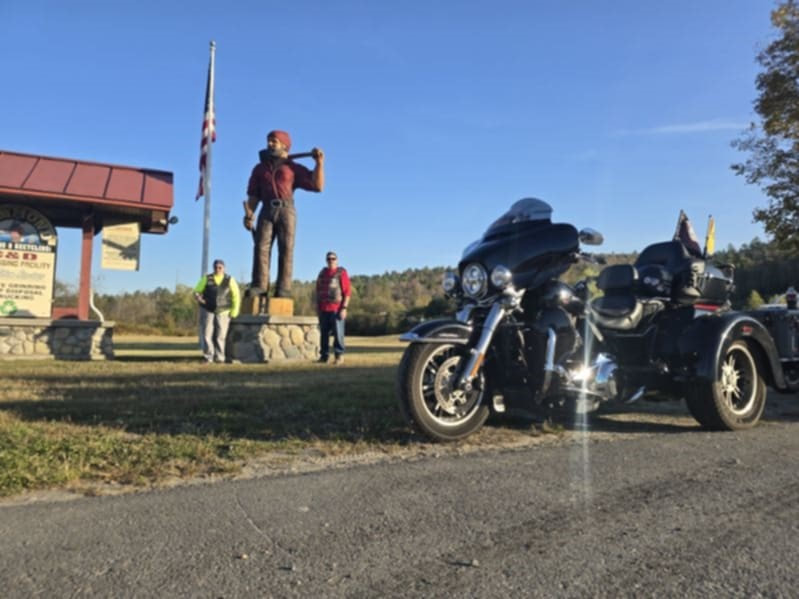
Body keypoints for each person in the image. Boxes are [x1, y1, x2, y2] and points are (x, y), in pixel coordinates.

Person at [243, 130, 325, 298]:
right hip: (266, 209)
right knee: (260, 248)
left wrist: (319, 164)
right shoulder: (260, 169)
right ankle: (259, 285)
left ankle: (283, 287)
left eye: (274, 141)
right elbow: (254, 195)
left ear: (284, 146)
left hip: (286, 210)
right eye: (268, 141)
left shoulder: (292, 168)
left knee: (286, 248)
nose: (269, 144)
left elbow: (317, 186)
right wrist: (249, 214)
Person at [193, 259, 241, 363]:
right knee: (207, 334)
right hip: (208, 310)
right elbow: (197, 291)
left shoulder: (230, 279)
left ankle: (220, 357)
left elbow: (236, 296)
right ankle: (208, 357)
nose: (218, 269)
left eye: (220, 267)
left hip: (224, 311)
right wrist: (198, 297)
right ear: (213, 267)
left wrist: (234, 311)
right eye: (216, 267)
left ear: (224, 268)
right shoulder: (207, 278)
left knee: (221, 335)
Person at [315, 251, 351, 364]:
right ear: (326, 260)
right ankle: (324, 356)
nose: (331, 261)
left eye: (333, 258)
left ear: (337, 260)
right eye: (329, 259)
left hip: (337, 309)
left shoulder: (341, 273)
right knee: (324, 335)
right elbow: (318, 291)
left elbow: (347, 292)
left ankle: (339, 356)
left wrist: (344, 308)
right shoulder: (322, 273)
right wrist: (317, 308)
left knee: (338, 334)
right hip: (323, 309)